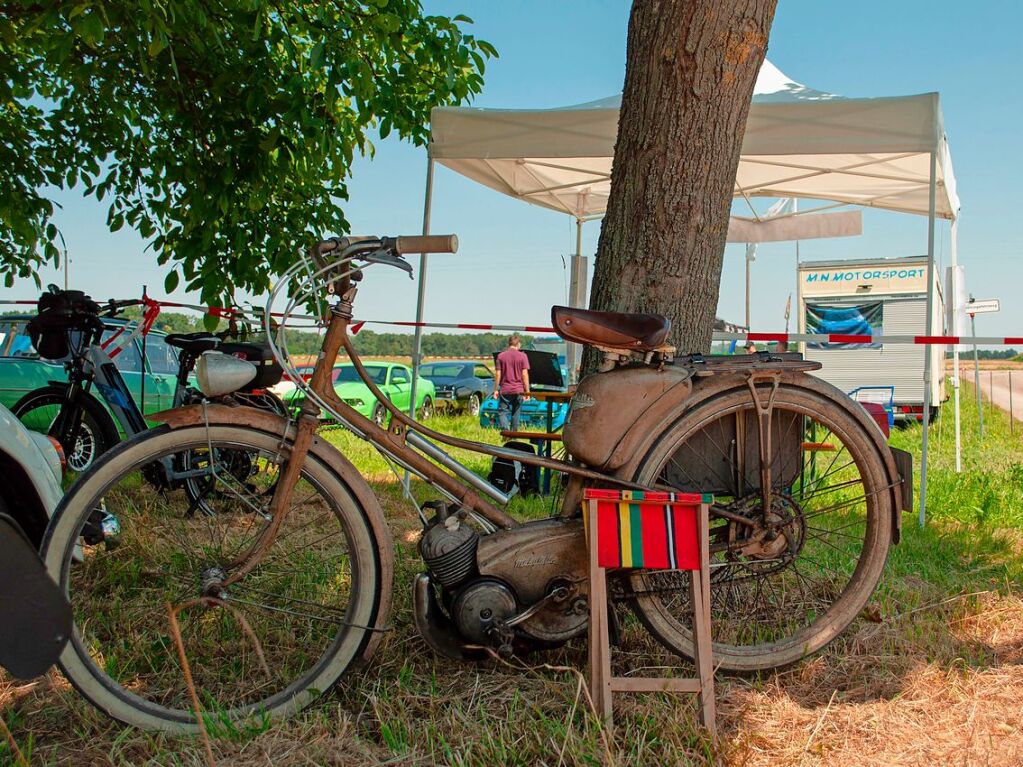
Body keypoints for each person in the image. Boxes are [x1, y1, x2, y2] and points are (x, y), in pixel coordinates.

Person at [492, 334, 531, 431]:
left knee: (502, 412)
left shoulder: (501, 356)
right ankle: (513, 435)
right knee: (516, 412)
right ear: (518, 344)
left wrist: (496, 390)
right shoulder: (523, 356)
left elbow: (498, 374)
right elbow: (525, 375)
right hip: (518, 390)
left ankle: (506, 432)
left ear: (509, 344)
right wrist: (527, 391)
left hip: (505, 390)